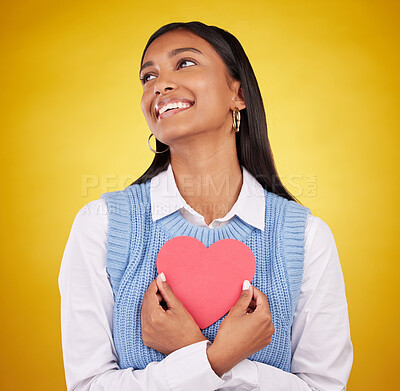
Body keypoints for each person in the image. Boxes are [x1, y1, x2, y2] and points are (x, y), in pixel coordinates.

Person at [58, 21, 353, 390]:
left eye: (184, 64)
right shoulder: (100, 226)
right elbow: (87, 385)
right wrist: (218, 358)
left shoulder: (306, 238)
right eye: (148, 77)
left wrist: (197, 357)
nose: (159, 85)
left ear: (238, 93)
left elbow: (323, 386)